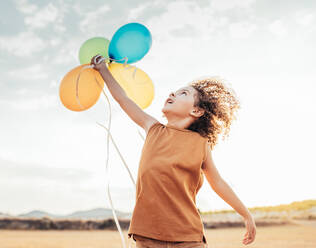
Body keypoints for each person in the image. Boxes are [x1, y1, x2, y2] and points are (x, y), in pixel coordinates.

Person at [90, 54, 256, 248]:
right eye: (174, 92)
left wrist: (246, 215)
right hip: (146, 236)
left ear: (196, 111)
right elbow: (122, 99)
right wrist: (103, 71)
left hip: (187, 238)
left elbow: (218, 182)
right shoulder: (153, 128)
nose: (172, 94)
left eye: (183, 93)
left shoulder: (201, 143)